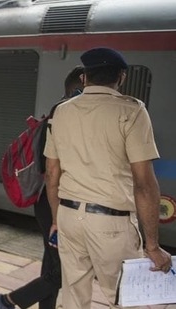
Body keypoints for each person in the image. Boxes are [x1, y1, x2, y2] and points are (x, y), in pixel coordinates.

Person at [44, 47, 172, 308]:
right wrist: (152, 246)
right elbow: (144, 184)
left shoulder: (61, 112)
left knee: (73, 297)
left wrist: (56, 219)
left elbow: (51, 173)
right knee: (126, 298)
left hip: (69, 217)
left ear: (84, 78)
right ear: (121, 77)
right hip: (111, 224)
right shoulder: (132, 111)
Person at [0, 66, 85, 309]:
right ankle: (8, 301)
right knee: (60, 272)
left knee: (51, 264)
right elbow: (51, 166)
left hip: (51, 199)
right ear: (80, 87)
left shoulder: (65, 113)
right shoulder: (62, 114)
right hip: (53, 201)